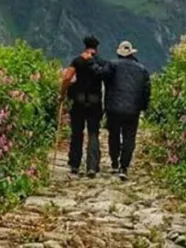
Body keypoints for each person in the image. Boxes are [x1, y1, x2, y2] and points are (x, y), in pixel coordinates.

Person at [60, 35, 107, 177]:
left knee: (77, 132)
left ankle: (75, 164)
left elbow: (67, 77)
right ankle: (92, 166)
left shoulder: (77, 60)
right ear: (97, 48)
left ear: (85, 46)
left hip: (79, 101)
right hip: (95, 101)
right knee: (93, 132)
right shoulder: (100, 62)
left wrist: (63, 93)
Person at [103, 40, 151, 181]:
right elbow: (146, 90)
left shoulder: (112, 65)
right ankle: (124, 166)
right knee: (129, 137)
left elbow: (103, 77)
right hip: (133, 110)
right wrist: (143, 106)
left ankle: (114, 163)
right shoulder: (142, 69)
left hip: (113, 108)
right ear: (131, 53)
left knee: (114, 135)